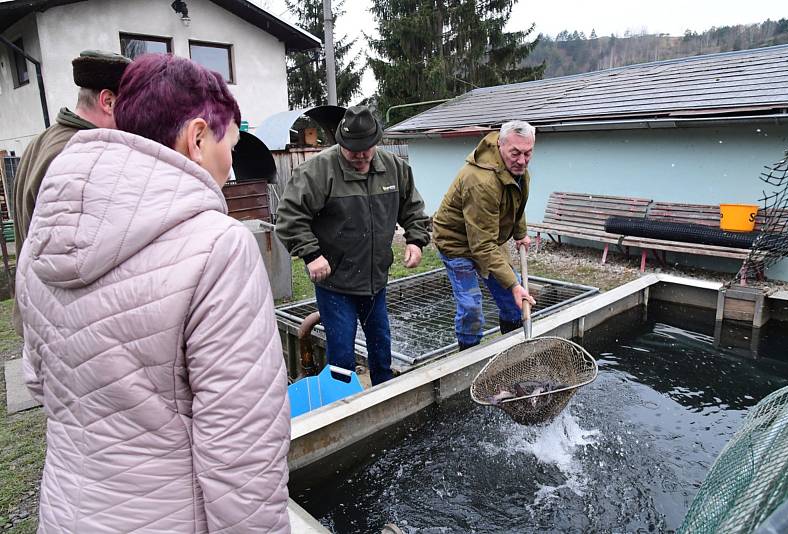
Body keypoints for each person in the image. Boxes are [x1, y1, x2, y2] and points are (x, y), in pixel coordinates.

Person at [16, 54, 290, 533]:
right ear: (198, 137)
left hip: (66, 511)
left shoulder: (45, 234)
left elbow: (39, 380)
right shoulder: (218, 247)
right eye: (232, 140)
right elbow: (241, 452)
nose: (232, 160)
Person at [276, 105, 430, 386]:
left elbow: (413, 209)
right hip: (335, 283)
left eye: (366, 151)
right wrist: (311, 254)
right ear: (341, 143)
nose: (360, 157)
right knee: (342, 356)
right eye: (352, 151)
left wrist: (416, 240)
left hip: (375, 279)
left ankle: (384, 397)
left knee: (381, 347)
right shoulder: (317, 171)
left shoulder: (395, 169)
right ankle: (343, 407)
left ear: (376, 143)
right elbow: (288, 217)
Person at [11, 50, 130, 335]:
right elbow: (75, 257)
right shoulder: (77, 155)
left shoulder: (45, 138)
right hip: (62, 324)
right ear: (109, 101)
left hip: (40, 312)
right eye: (132, 104)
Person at [432, 120, 536, 351]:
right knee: (471, 307)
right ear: (500, 145)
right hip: (457, 243)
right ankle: (468, 358)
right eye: (515, 153)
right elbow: (482, 247)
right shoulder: (481, 181)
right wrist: (513, 283)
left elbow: (515, 204)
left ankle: (513, 352)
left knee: (513, 300)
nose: (522, 160)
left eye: (528, 153)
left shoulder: (519, 171)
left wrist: (520, 233)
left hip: (487, 237)